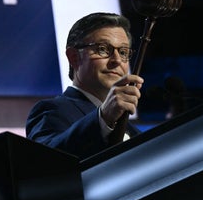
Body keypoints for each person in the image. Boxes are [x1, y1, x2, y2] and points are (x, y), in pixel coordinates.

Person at [26, 12, 144, 160]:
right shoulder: (51, 110)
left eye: (123, 52)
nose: (117, 60)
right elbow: (47, 161)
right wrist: (104, 118)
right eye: (102, 49)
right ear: (74, 57)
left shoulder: (133, 131)